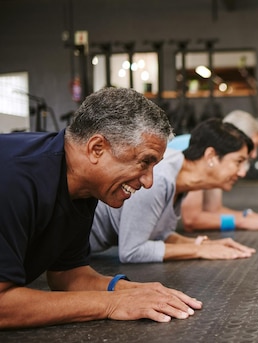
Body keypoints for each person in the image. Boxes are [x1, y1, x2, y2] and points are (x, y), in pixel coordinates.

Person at [0, 87, 202, 329]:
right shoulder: (13, 178)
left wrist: (132, 290)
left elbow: (68, 275)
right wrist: (111, 303)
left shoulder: (82, 186)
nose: (149, 181)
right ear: (97, 148)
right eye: (145, 162)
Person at [90, 118, 258, 263]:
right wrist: (199, 251)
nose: (242, 172)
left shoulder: (179, 180)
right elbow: (132, 251)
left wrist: (201, 244)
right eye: (238, 161)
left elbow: (161, 235)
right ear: (211, 156)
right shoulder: (158, 177)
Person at [169, 110, 258, 232]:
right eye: (252, 146)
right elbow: (192, 220)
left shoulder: (216, 158)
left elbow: (214, 210)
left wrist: (249, 216)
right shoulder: (201, 155)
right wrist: (242, 222)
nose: (254, 155)